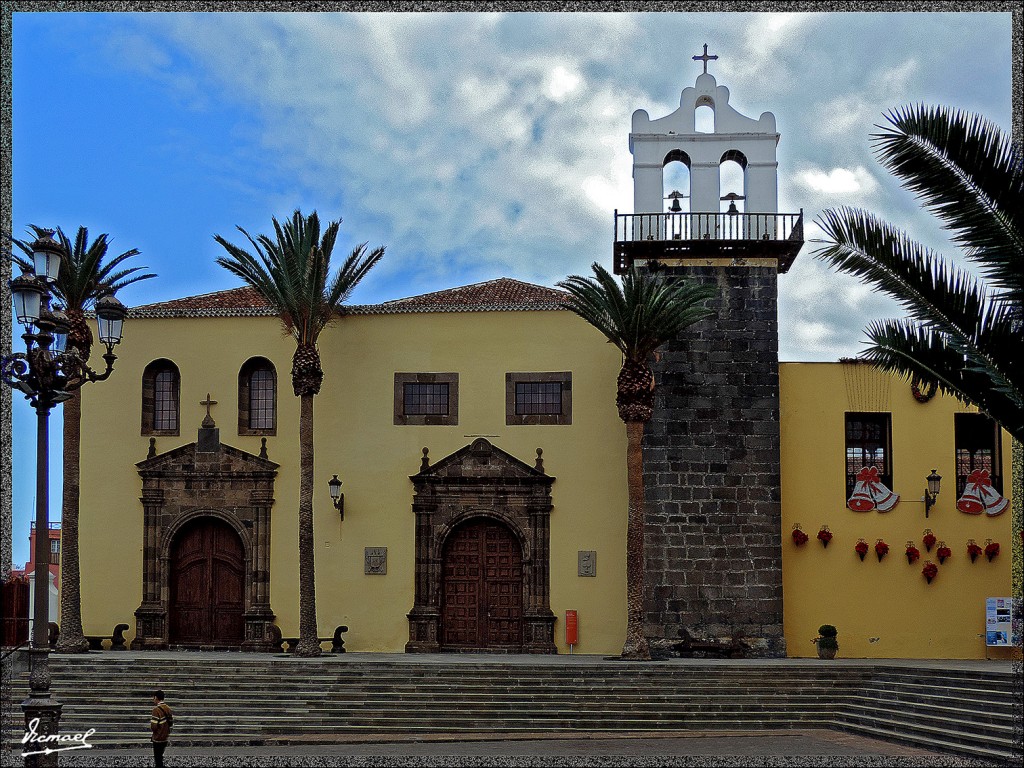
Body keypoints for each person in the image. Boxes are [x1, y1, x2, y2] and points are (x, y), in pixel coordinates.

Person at [150, 689, 173, 768]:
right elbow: (171, 722)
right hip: (165, 737)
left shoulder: (156, 710)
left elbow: (154, 726)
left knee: (158, 759)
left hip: (158, 738)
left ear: (156, 698)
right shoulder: (168, 708)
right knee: (161, 756)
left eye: (153, 698)